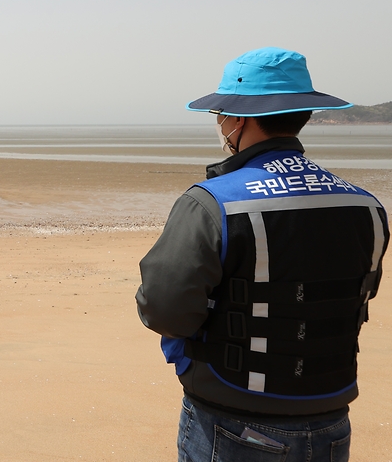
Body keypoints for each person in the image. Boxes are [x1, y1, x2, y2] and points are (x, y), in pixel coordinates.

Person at [135, 47, 388, 461]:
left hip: (234, 419)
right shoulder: (366, 204)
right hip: (331, 418)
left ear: (240, 120)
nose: (219, 123)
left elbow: (163, 308)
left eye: (222, 114)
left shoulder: (212, 202)